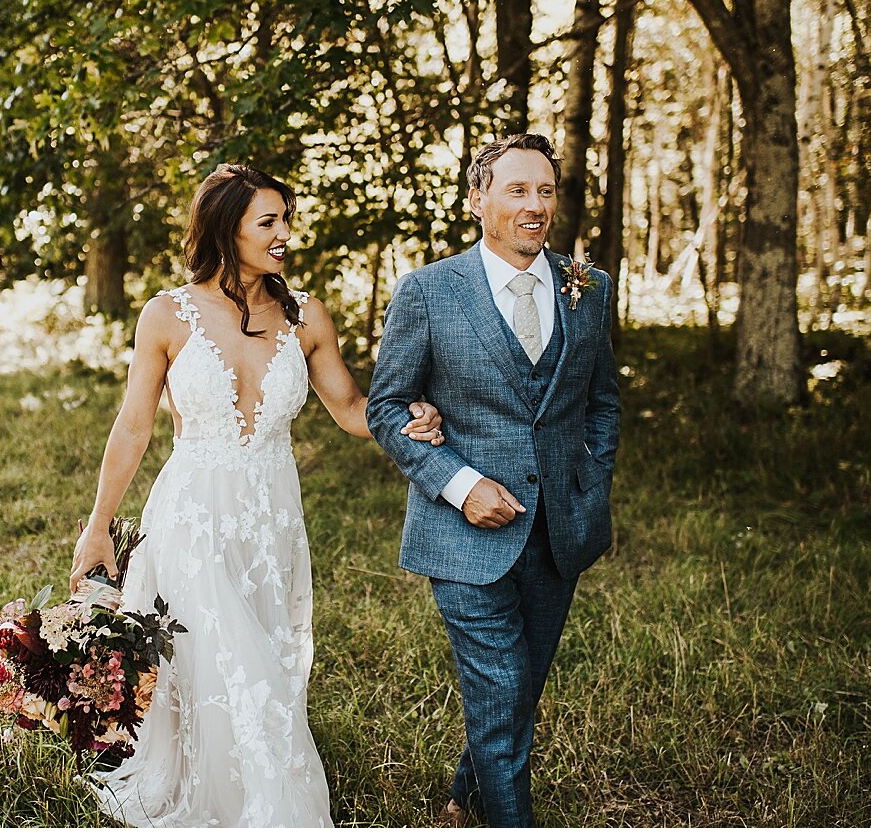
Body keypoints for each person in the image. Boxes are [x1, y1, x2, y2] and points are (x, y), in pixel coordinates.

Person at [69, 163, 445, 828]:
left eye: (286, 219)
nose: (285, 234)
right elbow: (134, 427)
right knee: (235, 666)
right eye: (268, 221)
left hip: (272, 524)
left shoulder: (306, 315)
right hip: (190, 515)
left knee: (261, 661)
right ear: (227, 228)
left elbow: (354, 407)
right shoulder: (167, 314)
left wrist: (408, 416)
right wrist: (99, 524)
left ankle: (227, 786)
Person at [366, 133, 621, 827]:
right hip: (462, 537)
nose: (535, 206)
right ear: (478, 200)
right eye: (517, 190)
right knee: (505, 690)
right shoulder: (427, 292)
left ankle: (465, 798)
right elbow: (385, 407)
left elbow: (602, 399)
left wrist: (590, 480)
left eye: (545, 190)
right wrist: (459, 483)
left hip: (558, 531)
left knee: (518, 692)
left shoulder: (588, 287)